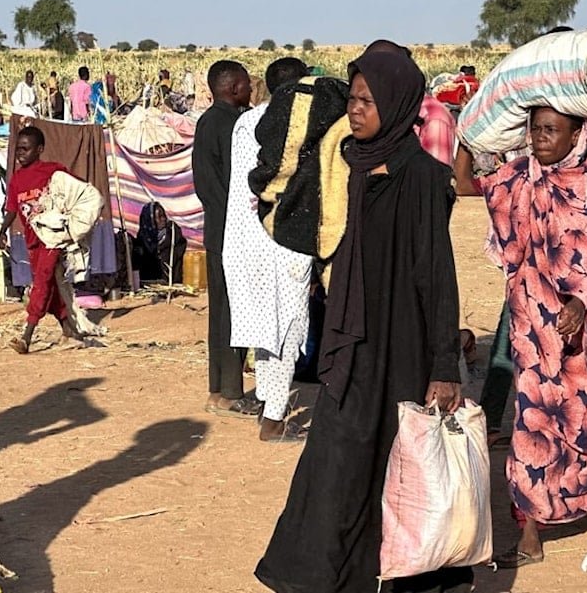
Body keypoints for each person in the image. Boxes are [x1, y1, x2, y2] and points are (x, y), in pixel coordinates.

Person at [255, 49, 469, 593]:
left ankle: (405, 576)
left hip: (403, 341)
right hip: (351, 341)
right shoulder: (340, 163)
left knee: (402, 464)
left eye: (367, 101)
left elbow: (437, 275)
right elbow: (285, 189)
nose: (355, 109)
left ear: (396, 105)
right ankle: (319, 577)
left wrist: (444, 363)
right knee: (336, 459)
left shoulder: (423, 176)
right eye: (352, 98)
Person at [478, 104, 587, 567]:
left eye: (551, 130)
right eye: (536, 129)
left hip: (582, 321)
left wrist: (581, 300)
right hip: (531, 320)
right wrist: (471, 140)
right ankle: (531, 531)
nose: (540, 138)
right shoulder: (519, 174)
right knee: (531, 420)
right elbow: (473, 187)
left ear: (578, 131)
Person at [224, 57, 312, 443]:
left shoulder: (246, 121)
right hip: (281, 244)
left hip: (244, 244)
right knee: (287, 331)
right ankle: (274, 420)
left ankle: (265, 400)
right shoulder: (296, 125)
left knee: (264, 330)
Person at [192, 60, 258, 418]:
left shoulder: (206, 122)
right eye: (247, 84)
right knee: (236, 311)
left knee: (220, 312)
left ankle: (218, 388)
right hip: (234, 231)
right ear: (233, 88)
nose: (250, 90)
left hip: (215, 227)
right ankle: (232, 391)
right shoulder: (235, 126)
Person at [0, 126, 82, 353]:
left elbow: (75, 191)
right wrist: (2, 231)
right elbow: (12, 210)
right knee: (49, 288)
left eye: (26, 149)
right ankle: (69, 332)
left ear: (39, 150)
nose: (20, 154)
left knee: (42, 283)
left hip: (52, 239)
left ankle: (27, 336)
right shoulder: (16, 179)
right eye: (18, 149)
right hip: (32, 241)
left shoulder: (52, 171)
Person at [135, 202, 187, 284]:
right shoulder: (142, 241)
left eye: (164, 215)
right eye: (159, 217)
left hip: (172, 284)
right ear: (149, 220)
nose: (164, 219)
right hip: (147, 285)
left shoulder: (173, 236)